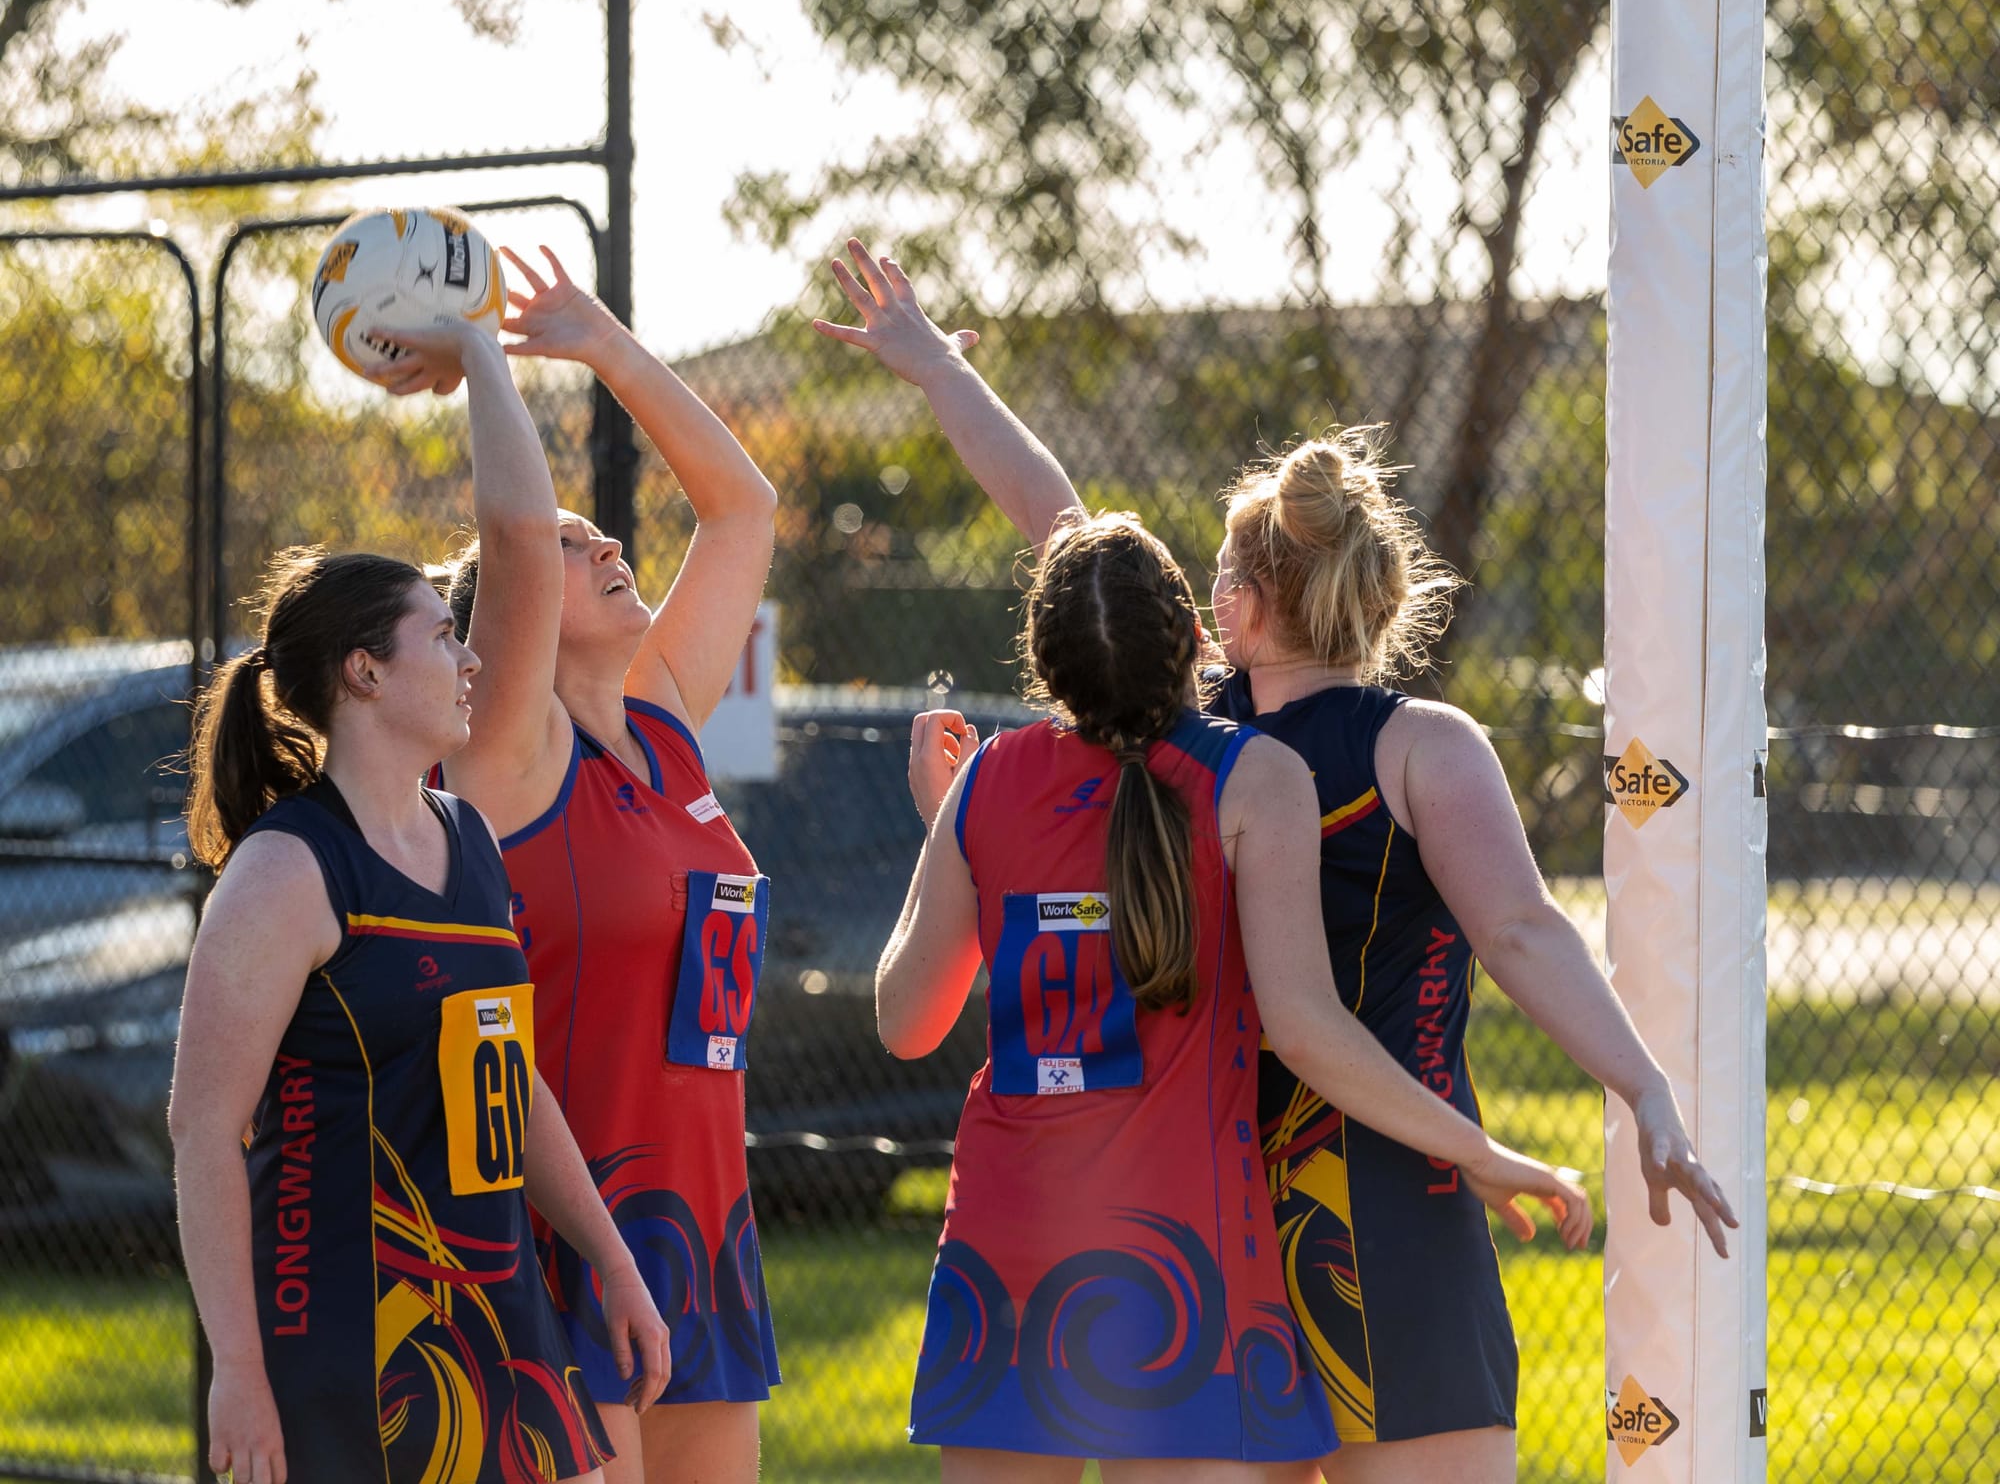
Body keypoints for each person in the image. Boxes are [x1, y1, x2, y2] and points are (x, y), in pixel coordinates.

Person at [817, 241, 1738, 1484]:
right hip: (1372, 1195)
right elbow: (1521, 933)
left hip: (1222, 1202)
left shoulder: (1195, 732)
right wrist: (1642, 1089)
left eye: (1214, 570)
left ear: (1242, 605)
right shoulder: (1398, 746)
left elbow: (1061, 523)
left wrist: (935, 371)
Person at [880, 509, 1588, 1484]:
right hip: (1184, 1252)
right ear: (1191, 639)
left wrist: (949, 833)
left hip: (1010, 1236)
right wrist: (1471, 1147)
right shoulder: (1248, 775)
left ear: (1044, 660)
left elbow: (905, 1022)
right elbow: (1301, 1025)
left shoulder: (989, 780)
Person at [170, 373, 671, 1484]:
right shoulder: (285, 869)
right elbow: (206, 1131)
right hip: (355, 1344)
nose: (470, 659)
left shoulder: (468, 838)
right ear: (364, 671)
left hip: (501, 1313)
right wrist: (238, 1370)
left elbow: (512, 1075)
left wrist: (613, 1261)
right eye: (443, 636)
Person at [402, 247, 781, 1484]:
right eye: (576, 544)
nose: (606, 537)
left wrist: (606, 345)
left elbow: (742, 509)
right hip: (565, 1234)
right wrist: (474, 358)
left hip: (702, 1230)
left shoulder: (663, 712)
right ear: (511, 613)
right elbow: (510, 528)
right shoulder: (507, 751)